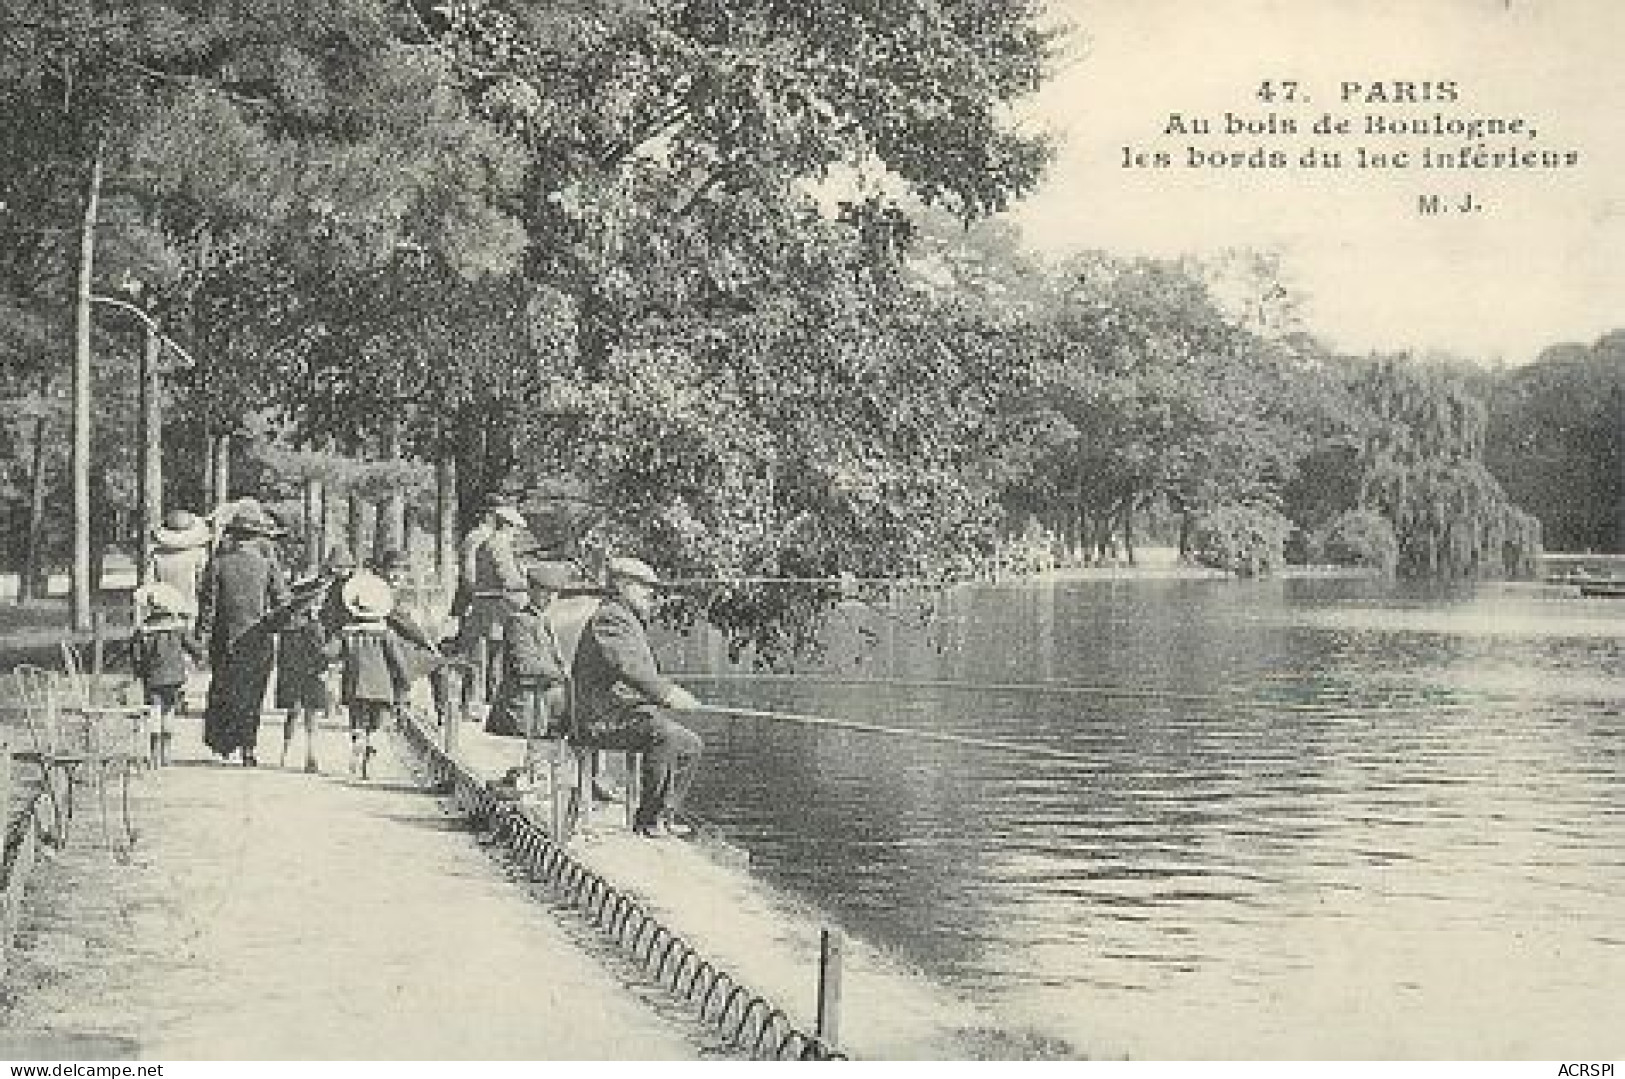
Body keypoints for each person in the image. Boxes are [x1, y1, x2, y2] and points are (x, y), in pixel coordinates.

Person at [570, 556, 703, 839]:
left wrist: (665, 695)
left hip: (624, 712)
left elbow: (637, 671)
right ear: (622, 586)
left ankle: (664, 814)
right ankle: (647, 821)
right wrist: (667, 693)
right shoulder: (610, 618)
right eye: (643, 587)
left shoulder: (628, 619)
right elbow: (628, 667)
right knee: (664, 736)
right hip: (599, 718)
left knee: (691, 744)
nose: (650, 594)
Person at [197, 505, 290, 765]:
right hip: (258, 639)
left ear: (234, 535)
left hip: (224, 639)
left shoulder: (218, 563)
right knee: (253, 694)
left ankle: (225, 743)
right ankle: (248, 747)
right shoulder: (266, 564)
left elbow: (208, 605)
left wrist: (201, 637)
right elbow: (282, 600)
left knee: (225, 689)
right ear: (256, 536)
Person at [274, 548, 351, 772]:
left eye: (342, 572)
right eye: (334, 571)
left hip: (319, 654)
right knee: (295, 708)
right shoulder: (305, 589)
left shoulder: (345, 596)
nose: (337, 576)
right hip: (299, 650)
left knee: (312, 708)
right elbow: (287, 615)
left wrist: (333, 652)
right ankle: (286, 753)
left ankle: (311, 754)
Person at [328, 571, 410, 780]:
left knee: (358, 722)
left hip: (355, 686)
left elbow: (329, 653)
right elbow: (398, 662)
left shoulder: (347, 633)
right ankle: (370, 759)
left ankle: (358, 741)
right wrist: (404, 681)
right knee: (377, 725)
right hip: (381, 688)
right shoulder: (386, 634)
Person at [129, 582, 202, 767]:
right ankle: (166, 751)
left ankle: (154, 753)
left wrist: (138, 671)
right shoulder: (178, 627)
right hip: (175, 677)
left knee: (154, 710)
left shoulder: (144, 630)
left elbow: (136, 655)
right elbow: (194, 648)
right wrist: (198, 655)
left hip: (152, 677)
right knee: (169, 711)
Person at [466, 503, 530, 707]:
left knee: (489, 657)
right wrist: (530, 581)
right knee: (494, 657)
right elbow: (508, 580)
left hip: (489, 607)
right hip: (494, 610)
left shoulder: (489, 543)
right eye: (515, 529)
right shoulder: (499, 545)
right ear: (507, 526)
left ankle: (486, 699)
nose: (516, 534)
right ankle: (489, 701)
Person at [142, 509, 212, 621]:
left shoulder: (156, 555)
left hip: (163, 613)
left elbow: (149, 586)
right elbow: (203, 585)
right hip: (191, 612)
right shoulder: (199, 554)